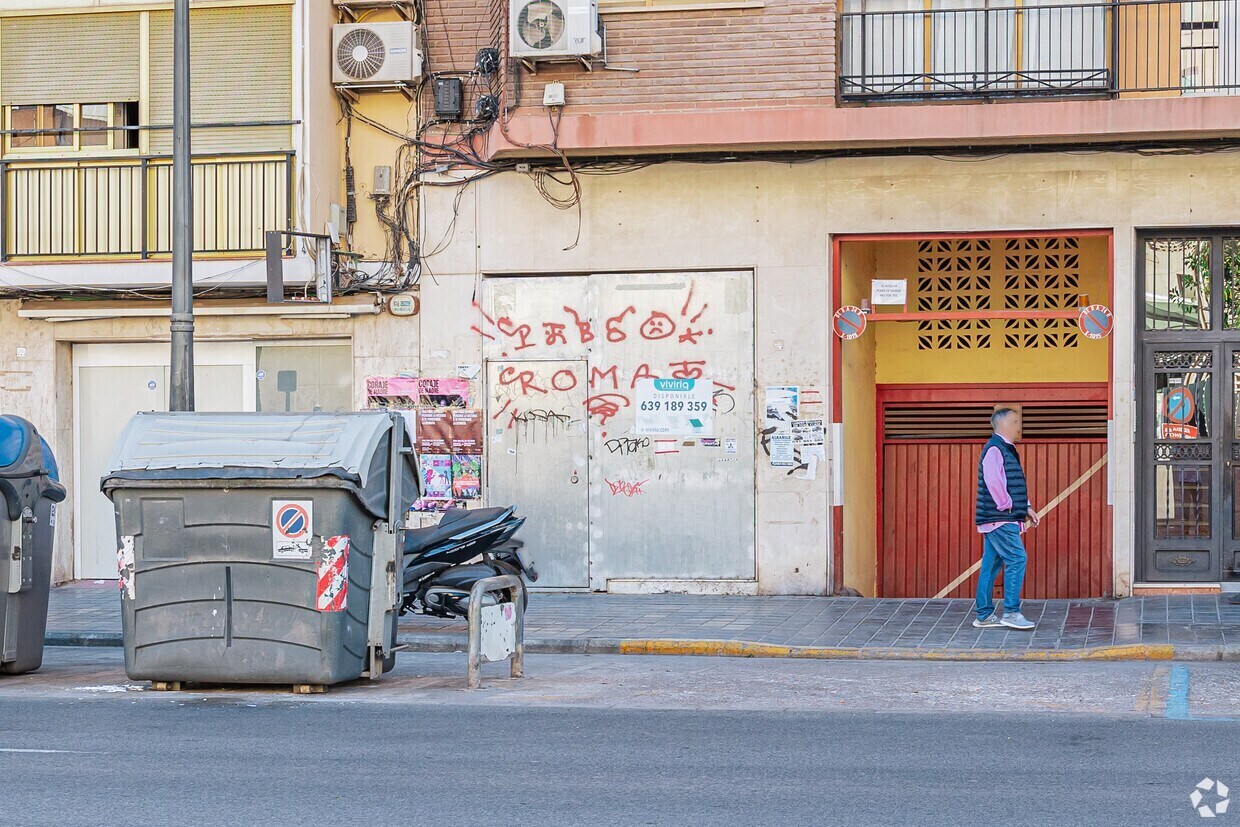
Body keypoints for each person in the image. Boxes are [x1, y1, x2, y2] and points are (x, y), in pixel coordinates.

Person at [974, 408, 1040, 630]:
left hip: (1000, 517)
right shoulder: (995, 449)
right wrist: (1007, 505)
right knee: (1017, 558)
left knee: (991, 565)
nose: (1018, 426)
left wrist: (1026, 507)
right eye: (1014, 422)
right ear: (1002, 425)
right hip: (1000, 517)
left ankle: (984, 615)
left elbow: (1012, 483)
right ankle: (1011, 612)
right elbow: (994, 481)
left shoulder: (1005, 449)